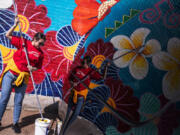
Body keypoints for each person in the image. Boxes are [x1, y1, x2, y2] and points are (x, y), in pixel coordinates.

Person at [0, 17, 46, 133]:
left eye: (42, 44)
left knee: (18, 101)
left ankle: (15, 123)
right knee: (4, 98)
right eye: (40, 43)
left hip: (23, 77)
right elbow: (7, 35)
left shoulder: (40, 53)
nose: (41, 46)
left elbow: (38, 67)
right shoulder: (23, 42)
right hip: (11, 74)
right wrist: (15, 25)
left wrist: (33, 68)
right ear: (35, 39)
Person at [60, 56, 107, 135]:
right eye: (82, 62)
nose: (81, 64)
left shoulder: (91, 72)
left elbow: (103, 78)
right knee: (67, 114)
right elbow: (70, 78)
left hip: (81, 97)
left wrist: (105, 67)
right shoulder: (77, 68)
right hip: (73, 94)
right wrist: (72, 83)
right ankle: (62, 131)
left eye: (83, 63)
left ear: (88, 64)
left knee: (75, 114)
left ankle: (65, 130)